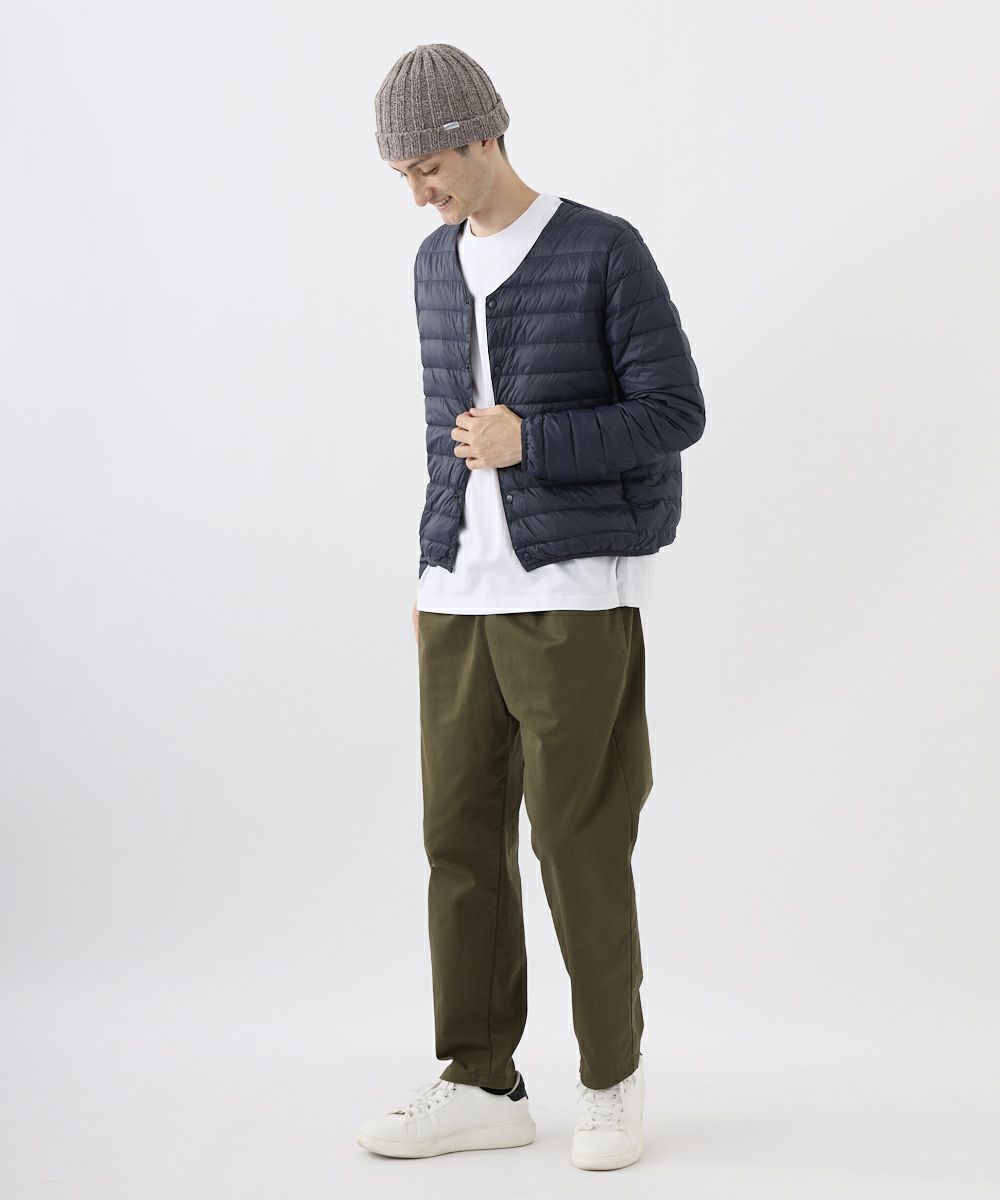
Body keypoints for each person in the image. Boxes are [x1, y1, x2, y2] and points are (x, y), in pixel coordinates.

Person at [356, 42, 706, 1172]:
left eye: (427, 168)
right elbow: (440, 437)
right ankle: (480, 1080)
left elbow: (675, 410)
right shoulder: (431, 265)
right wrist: (431, 570)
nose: (418, 195)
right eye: (404, 176)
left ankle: (610, 1080)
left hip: (574, 593)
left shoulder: (602, 248)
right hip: (459, 595)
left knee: (575, 838)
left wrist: (533, 442)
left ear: (479, 136)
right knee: (457, 839)